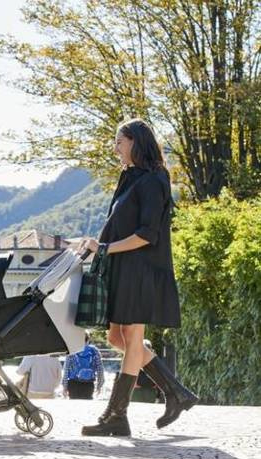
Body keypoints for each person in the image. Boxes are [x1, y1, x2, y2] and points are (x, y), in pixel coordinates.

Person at [78, 118, 198, 437]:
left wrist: (105, 248)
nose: (115, 148)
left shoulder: (155, 179)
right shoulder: (129, 178)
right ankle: (176, 392)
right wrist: (95, 245)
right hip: (123, 268)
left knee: (131, 337)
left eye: (119, 141)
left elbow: (147, 234)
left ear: (135, 141)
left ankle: (116, 416)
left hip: (143, 270)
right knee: (117, 339)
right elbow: (117, 226)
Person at [62, 334, 105, 400]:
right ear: (88, 340)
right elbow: (100, 370)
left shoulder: (72, 350)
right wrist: (99, 386)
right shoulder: (94, 351)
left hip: (73, 383)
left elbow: (66, 370)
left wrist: (64, 387)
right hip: (88, 383)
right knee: (86, 403)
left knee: (74, 404)